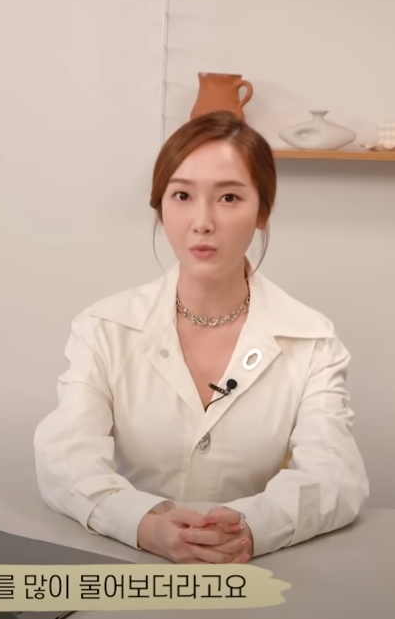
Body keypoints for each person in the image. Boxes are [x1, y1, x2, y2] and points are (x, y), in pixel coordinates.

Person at [33, 110, 369, 565]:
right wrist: (143, 524)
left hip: (253, 569)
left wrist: (249, 528)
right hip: (129, 564)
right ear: (160, 208)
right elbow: (65, 460)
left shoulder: (311, 339)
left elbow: (335, 476)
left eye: (229, 197)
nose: (202, 221)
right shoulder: (103, 327)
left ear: (262, 211)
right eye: (182, 196)